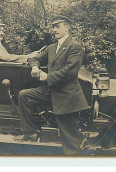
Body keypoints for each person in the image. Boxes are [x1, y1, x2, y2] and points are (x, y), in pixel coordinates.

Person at [14, 15, 89, 155]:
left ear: (67, 27)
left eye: (57, 26)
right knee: (24, 95)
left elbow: (70, 72)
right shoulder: (51, 48)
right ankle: (29, 133)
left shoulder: (75, 46)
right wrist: (35, 67)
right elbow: (34, 58)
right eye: (53, 27)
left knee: (70, 140)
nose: (54, 29)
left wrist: (48, 76)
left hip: (66, 95)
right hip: (50, 91)